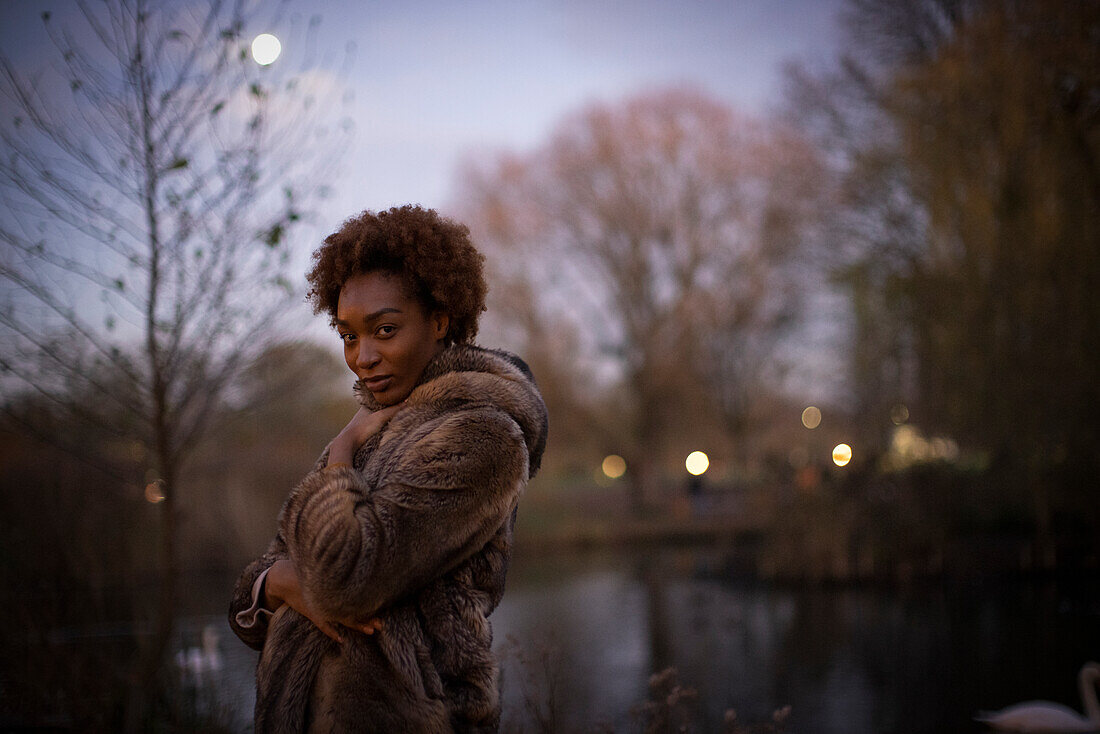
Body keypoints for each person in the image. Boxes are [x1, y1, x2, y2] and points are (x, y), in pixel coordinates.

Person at [228, 205, 548, 733]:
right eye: (349, 335)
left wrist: (338, 455)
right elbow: (254, 591)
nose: (363, 357)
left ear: (440, 321)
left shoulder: (482, 436)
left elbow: (343, 583)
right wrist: (277, 583)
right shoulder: (372, 432)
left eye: (384, 329)